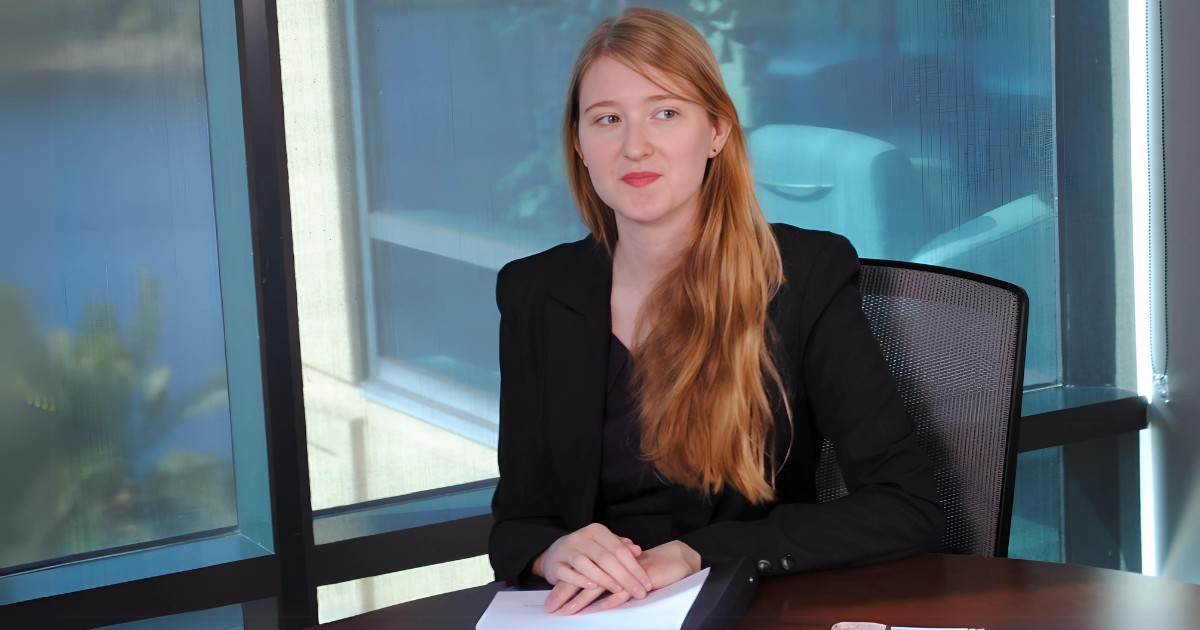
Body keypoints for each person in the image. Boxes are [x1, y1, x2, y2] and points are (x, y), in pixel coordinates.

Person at [489, 7, 944, 616]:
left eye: (666, 113)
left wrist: (698, 552)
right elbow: (518, 522)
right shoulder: (534, 291)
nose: (634, 145)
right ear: (579, 142)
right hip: (594, 614)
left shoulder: (801, 275)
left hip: (750, 605)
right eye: (607, 119)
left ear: (718, 132)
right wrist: (555, 554)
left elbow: (906, 505)